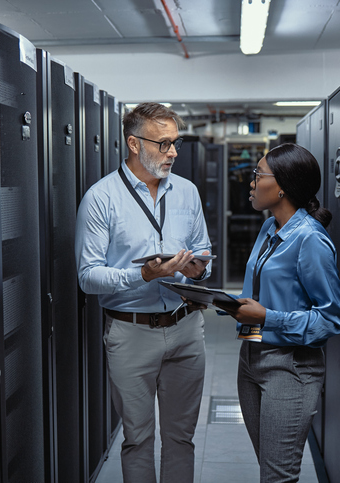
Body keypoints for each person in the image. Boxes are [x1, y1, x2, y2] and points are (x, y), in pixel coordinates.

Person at [74, 102, 212, 483]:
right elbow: (87, 276)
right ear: (134, 144)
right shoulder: (101, 198)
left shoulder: (187, 192)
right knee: (137, 438)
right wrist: (143, 275)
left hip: (186, 329)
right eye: (163, 144)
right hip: (130, 332)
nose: (173, 153)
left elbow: (204, 251)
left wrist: (199, 269)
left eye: (176, 143)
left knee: (181, 439)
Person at [213, 143, 340, 482]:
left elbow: (331, 319)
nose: (251, 182)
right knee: (271, 469)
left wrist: (267, 318)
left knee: (277, 476)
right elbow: (260, 295)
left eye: (258, 175)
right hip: (251, 359)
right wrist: (220, 302)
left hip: (290, 368)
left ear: (283, 186)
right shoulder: (269, 228)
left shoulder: (310, 240)